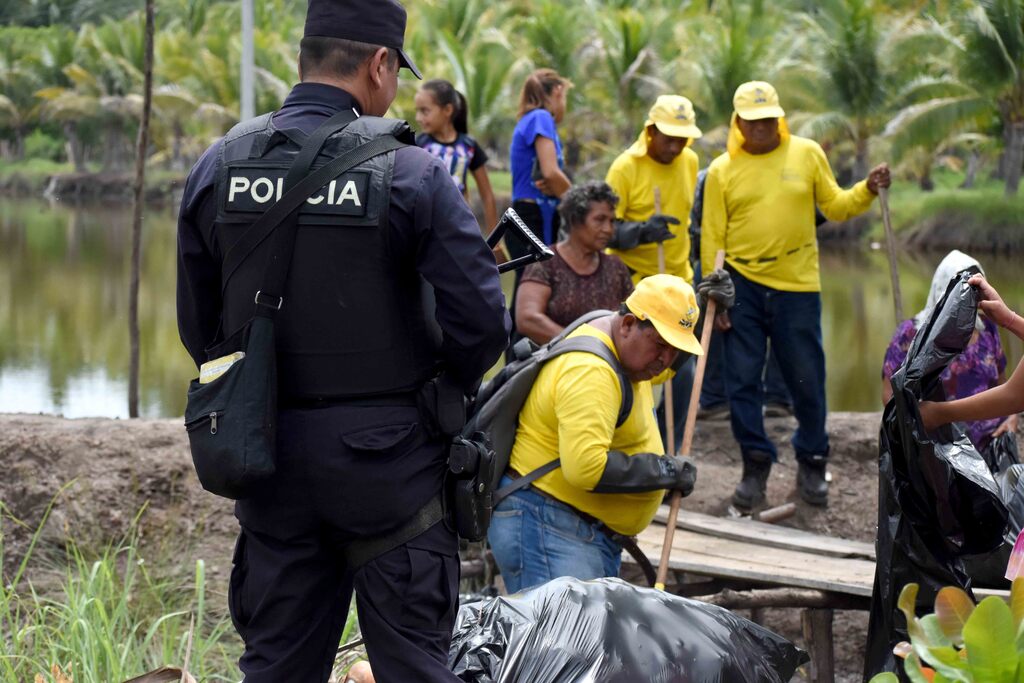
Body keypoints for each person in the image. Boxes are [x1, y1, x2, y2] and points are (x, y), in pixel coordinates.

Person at [175, 2, 510, 681]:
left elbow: (199, 327)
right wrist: (432, 397)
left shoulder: (218, 165)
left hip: (266, 456)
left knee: (274, 667)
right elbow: (482, 325)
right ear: (379, 65)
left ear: (306, 57)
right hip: (393, 469)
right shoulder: (413, 174)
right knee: (416, 666)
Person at [701, 81, 891, 510]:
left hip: (797, 284)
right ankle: (755, 465)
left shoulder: (806, 154)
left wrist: (867, 188)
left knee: (806, 376)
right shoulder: (721, 171)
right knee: (743, 380)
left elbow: (837, 206)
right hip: (742, 286)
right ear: (738, 123)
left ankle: (812, 459)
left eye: (768, 119)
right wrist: (715, 297)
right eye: (752, 121)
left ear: (780, 118)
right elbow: (712, 238)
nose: (761, 127)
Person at [489, 274, 732, 593]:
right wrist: (664, 470)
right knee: (563, 642)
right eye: (661, 345)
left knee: (584, 640)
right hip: (548, 528)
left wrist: (701, 316)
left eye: (675, 349)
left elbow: (661, 369)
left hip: (574, 528)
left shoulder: (624, 346)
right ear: (629, 323)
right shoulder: (592, 370)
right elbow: (586, 469)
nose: (665, 360)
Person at [604, 95, 718, 453]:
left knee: (681, 372)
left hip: (677, 283)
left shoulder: (691, 161)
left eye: (682, 138)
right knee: (631, 366)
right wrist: (639, 231)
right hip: (634, 285)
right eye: (668, 137)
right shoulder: (625, 167)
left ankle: (664, 453)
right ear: (650, 131)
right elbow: (605, 230)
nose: (675, 145)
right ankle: (621, 445)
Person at [882, 250, 1017, 450]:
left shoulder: (988, 328)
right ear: (942, 292)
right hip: (938, 446)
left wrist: (1011, 418)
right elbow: (890, 397)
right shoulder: (911, 335)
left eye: (974, 293)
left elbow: (1005, 385)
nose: (968, 301)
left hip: (988, 442)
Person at [515, 181, 634, 346]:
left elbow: (630, 321)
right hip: (551, 364)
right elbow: (527, 319)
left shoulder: (616, 268)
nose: (608, 229)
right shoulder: (546, 263)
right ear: (575, 220)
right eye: (600, 219)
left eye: (612, 221)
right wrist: (582, 345)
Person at [920, 274, 1024, 434]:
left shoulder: (987, 330)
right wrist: (1009, 319)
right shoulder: (915, 333)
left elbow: (1015, 395)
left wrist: (937, 414)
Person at [414, 78, 498, 230]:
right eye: (417, 111)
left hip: (458, 226)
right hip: (424, 227)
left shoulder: (469, 147)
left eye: (424, 111)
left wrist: (496, 241)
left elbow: (487, 195)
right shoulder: (417, 145)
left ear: (447, 110)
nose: (418, 118)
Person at [509, 68, 572, 252]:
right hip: (533, 218)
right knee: (538, 280)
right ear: (557, 91)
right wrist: (580, 206)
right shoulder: (541, 117)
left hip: (533, 217)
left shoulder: (530, 120)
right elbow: (550, 172)